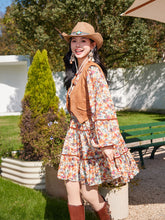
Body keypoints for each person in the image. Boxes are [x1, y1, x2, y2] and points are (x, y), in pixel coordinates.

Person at [57, 22, 139, 220]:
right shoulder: (77, 71)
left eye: (83, 41)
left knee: (88, 192)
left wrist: (107, 142)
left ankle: (105, 213)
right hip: (75, 135)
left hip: (90, 136)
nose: (77, 45)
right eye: (74, 41)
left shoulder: (93, 71)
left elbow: (103, 107)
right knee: (70, 185)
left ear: (92, 45)